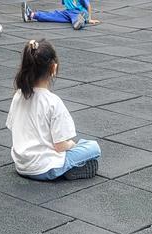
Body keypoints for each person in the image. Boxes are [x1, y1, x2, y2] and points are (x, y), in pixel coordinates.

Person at [6, 39, 101, 181]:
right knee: (93, 147)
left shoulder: (19, 95)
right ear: (53, 68)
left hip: (21, 166)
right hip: (46, 168)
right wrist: (72, 144)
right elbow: (60, 146)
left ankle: (68, 167)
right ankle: (67, 168)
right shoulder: (53, 102)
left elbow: (12, 126)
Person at [21, 0, 99, 29]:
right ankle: (31, 15)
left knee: (76, 17)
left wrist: (89, 19)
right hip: (68, 12)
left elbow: (88, 5)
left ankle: (79, 22)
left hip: (79, 12)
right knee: (54, 15)